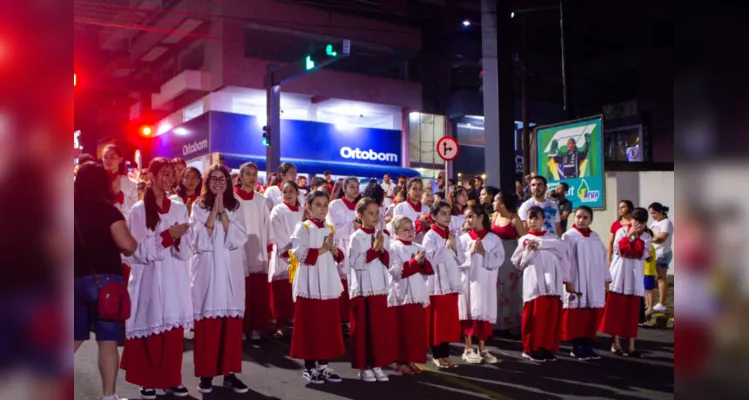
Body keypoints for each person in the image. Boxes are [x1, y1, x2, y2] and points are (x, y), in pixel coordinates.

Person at [120, 157, 194, 399]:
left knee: (171, 331)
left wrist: (179, 239)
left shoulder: (180, 207)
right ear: (151, 175)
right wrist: (167, 236)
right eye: (165, 173)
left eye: (173, 174)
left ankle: (171, 379)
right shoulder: (139, 210)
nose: (170, 178)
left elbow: (185, 252)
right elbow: (136, 252)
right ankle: (147, 380)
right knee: (150, 327)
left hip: (174, 276)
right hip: (149, 278)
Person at [74, 162, 137, 400]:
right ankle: (108, 396)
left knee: (72, 337)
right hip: (106, 284)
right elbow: (127, 245)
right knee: (108, 341)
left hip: (72, 282)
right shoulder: (109, 212)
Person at [188, 164, 249, 394]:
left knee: (230, 326)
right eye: (213, 178)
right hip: (208, 271)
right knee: (208, 326)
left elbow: (238, 237)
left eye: (222, 178)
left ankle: (229, 373)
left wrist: (223, 212)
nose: (218, 182)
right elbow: (199, 240)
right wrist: (213, 212)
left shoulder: (235, 205)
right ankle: (206, 374)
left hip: (230, 270)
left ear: (228, 182)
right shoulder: (198, 206)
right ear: (207, 181)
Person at [288, 191, 345, 384]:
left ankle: (323, 366)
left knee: (326, 325)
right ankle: (309, 367)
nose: (322, 208)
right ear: (308, 207)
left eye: (325, 205)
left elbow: (334, 253)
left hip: (327, 281)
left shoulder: (330, 227)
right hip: (309, 281)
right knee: (310, 325)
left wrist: (335, 251)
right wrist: (325, 249)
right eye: (318, 204)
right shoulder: (302, 227)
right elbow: (299, 253)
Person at [511, 206, 570, 362]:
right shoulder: (524, 240)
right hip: (535, 283)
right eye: (530, 218)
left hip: (553, 283)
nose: (533, 221)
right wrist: (528, 251)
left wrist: (566, 279)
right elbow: (518, 263)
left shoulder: (553, 238)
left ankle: (546, 346)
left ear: (543, 220)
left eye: (537, 218)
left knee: (550, 317)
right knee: (535, 316)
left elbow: (562, 252)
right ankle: (531, 348)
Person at [347, 198, 397, 382]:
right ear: (360, 216)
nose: (375, 216)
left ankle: (377, 364)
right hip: (363, 289)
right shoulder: (356, 237)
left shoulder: (382, 235)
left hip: (380, 288)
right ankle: (363, 366)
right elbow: (355, 263)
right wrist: (375, 250)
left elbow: (391, 262)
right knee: (363, 331)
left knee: (378, 330)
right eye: (370, 213)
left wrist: (383, 252)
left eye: (377, 213)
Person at [599, 207, 652, 358]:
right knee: (616, 312)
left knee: (632, 314)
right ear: (632, 220)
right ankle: (616, 344)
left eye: (642, 223)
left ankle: (631, 347)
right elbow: (619, 250)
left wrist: (632, 243)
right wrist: (629, 235)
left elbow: (641, 254)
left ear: (645, 223)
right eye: (636, 221)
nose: (638, 225)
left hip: (634, 279)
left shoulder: (647, 236)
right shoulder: (621, 231)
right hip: (619, 276)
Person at [561, 207, 610, 360]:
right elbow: (565, 260)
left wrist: (606, 279)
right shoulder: (568, 237)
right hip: (577, 281)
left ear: (591, 220)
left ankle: (588, 346)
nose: (581, 220)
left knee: (591, 316)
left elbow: (603, 259)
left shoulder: (595, 237)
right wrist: (567, 280)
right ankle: (577, 347)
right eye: (578, 217)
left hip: (593, 282)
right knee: (577, 317)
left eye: (585, 217)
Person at [457, 205, 504, 364]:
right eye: (466, 217)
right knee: (468, 312)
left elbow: (500, 259)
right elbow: (458, 261)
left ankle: (482, 349)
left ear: (481, 217)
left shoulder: (493, 239)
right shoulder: (463, 239)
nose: (468, 220)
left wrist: (484, 252)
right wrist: (470, 254)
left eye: (470, 216)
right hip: (468, 282)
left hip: (486, 282)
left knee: (484, 313)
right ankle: (468, 348)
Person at [388, 216, 432, 375]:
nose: (410, 232)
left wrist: (422, 262)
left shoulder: (419, 246)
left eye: (411, 228)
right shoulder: (394, 248)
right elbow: (395, 272)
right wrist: (414, 262)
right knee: (403, 330)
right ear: (396, 232)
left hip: (417, 291)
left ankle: (411, 360)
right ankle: (401, 362)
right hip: (403, 294)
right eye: (405, 229)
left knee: (415, 331)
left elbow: (427, 270)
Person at [422, 201, 463, 368]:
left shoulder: (452, 234)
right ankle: (437, 355)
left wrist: (454, 248)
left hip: (451, 282)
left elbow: (462, 259)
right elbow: (428, 261)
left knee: (448, 321)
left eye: (449, 214)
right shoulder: (430, 236)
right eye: (443, 214)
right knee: (437, 321)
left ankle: (445, 354)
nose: (447, 217)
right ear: (433, 216)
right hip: (436, 284)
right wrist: (446, 248)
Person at [233, 162, 272, 341]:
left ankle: (256, 326)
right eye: (248, 174)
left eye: (254, 174)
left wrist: (269, 245)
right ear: (240, 177)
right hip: (239, 249)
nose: (251, 177)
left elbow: (267, 224)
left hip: (257, 248)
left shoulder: (260, 200)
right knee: (241, 289)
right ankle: (240, 326)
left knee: (257, 291)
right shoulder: (232, 199)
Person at [268, 180, 304, 339]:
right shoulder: (278, 210)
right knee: (283, 293)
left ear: (297, 193)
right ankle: (280, 325)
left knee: (298, 292)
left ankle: (298, 322)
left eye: (291, 191)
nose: (288, 194)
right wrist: (290, 251)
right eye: (285, 191)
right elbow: (278, 232)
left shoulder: (303, 211)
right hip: (284, 257)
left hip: (301, 256)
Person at [327, 177, 361, 327]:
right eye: (351, 186)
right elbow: (330, 227)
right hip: (340, 246)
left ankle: (350, 319)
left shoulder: (360, 206)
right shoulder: (335, 205)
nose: (355, 189)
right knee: (340, 282)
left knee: (353, 282)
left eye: (357, 186)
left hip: (355, 247)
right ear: (345, 188)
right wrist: (350, 226)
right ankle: (338, 319)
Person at [490, 191, 526, 335]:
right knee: (496, 287)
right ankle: (496, 323)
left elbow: (524, 239)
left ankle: (510, 323)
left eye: (495, 200)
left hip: (510, 255)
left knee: (509, 288)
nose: (493, 203)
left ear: (502, 203)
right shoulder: (495, 216)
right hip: (495, 254)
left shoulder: (514, 219)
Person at [649, 202, 673, 313]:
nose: (653, 216)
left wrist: (648, 239)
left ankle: (662, 303)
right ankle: (659, 303)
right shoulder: (655, 223)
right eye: (651, 214)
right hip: (655, 252)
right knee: (657, 278)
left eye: (654, 213)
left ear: (661, 212)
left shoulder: (666, 223)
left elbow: (661, 239)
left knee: (661, 278)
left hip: (662, 253)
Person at [392, 177, 429, 243]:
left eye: (420, 189)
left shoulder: (427, 209)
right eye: (414, 189)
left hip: (423, 247)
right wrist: (419, 222)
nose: (418, 192)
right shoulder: (400, 208)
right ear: (408, 190)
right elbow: (398, 230)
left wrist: (428, 225)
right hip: (405, 248)